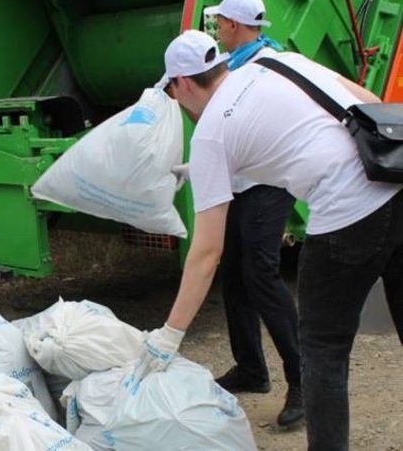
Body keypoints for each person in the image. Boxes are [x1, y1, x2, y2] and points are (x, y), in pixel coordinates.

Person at [141, 30, 401, 450]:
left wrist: (170, 333)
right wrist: (207, 169)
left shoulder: (210, 132)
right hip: (395, 179)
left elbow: (207, 253)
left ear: (183, 82)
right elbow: (370, 101)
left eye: (172, 92)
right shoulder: (276, 63)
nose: (176, 103)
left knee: (323, 348)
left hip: (346, 210)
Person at [201, 0, 303, 427]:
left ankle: (303, 381)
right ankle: (251, 370)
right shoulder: (234, 62)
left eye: (220, 22)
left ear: (232, 23)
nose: (217, 29)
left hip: (270, 181)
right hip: (241, 181)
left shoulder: (270, 64)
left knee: (261, 275)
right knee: (234, 273)